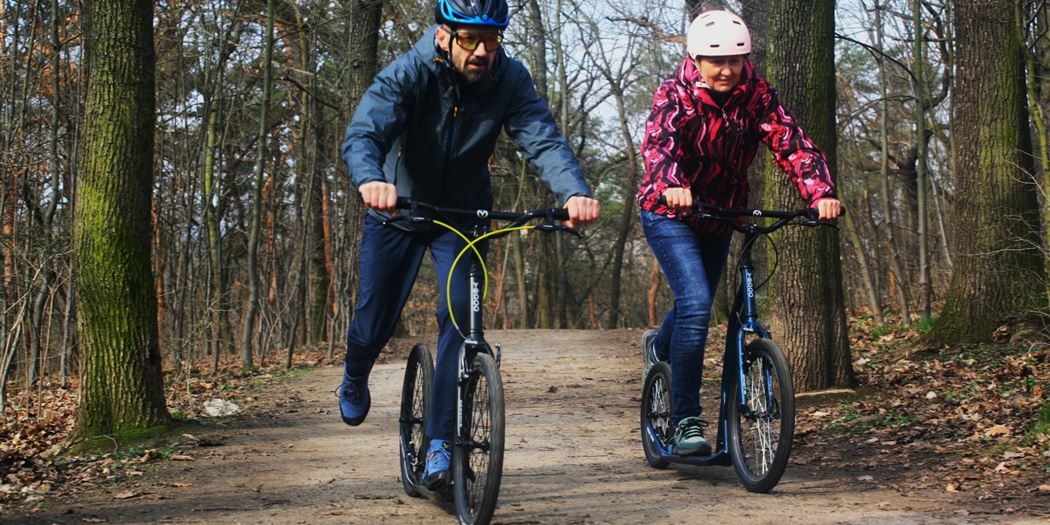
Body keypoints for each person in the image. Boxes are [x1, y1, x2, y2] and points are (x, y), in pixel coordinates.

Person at [338, 0, 600, 490]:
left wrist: (573, 191)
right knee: (374, 320)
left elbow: (541, 137)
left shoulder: (509, 79)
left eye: (493, 39)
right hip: (399, 210)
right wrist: (372, 179)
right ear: (444, 36)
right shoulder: (409, 72)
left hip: (462, 217)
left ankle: (440, 444)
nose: (483, 51)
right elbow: (364, 134)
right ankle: (355, 371)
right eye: (470, 40)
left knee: (462, 320)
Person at [637, 9, 841, 456]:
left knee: (699, 302)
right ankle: (686, 419)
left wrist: (820, 192)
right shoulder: (674, 95)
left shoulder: (756, 95)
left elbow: (791, 143)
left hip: (721, 213)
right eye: (717, 61)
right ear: (696, 59)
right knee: (695, 303)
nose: (727, 69)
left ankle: (660, 345)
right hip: (669, 212)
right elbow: (659, 145)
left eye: (736, 59)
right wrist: (672, 183)